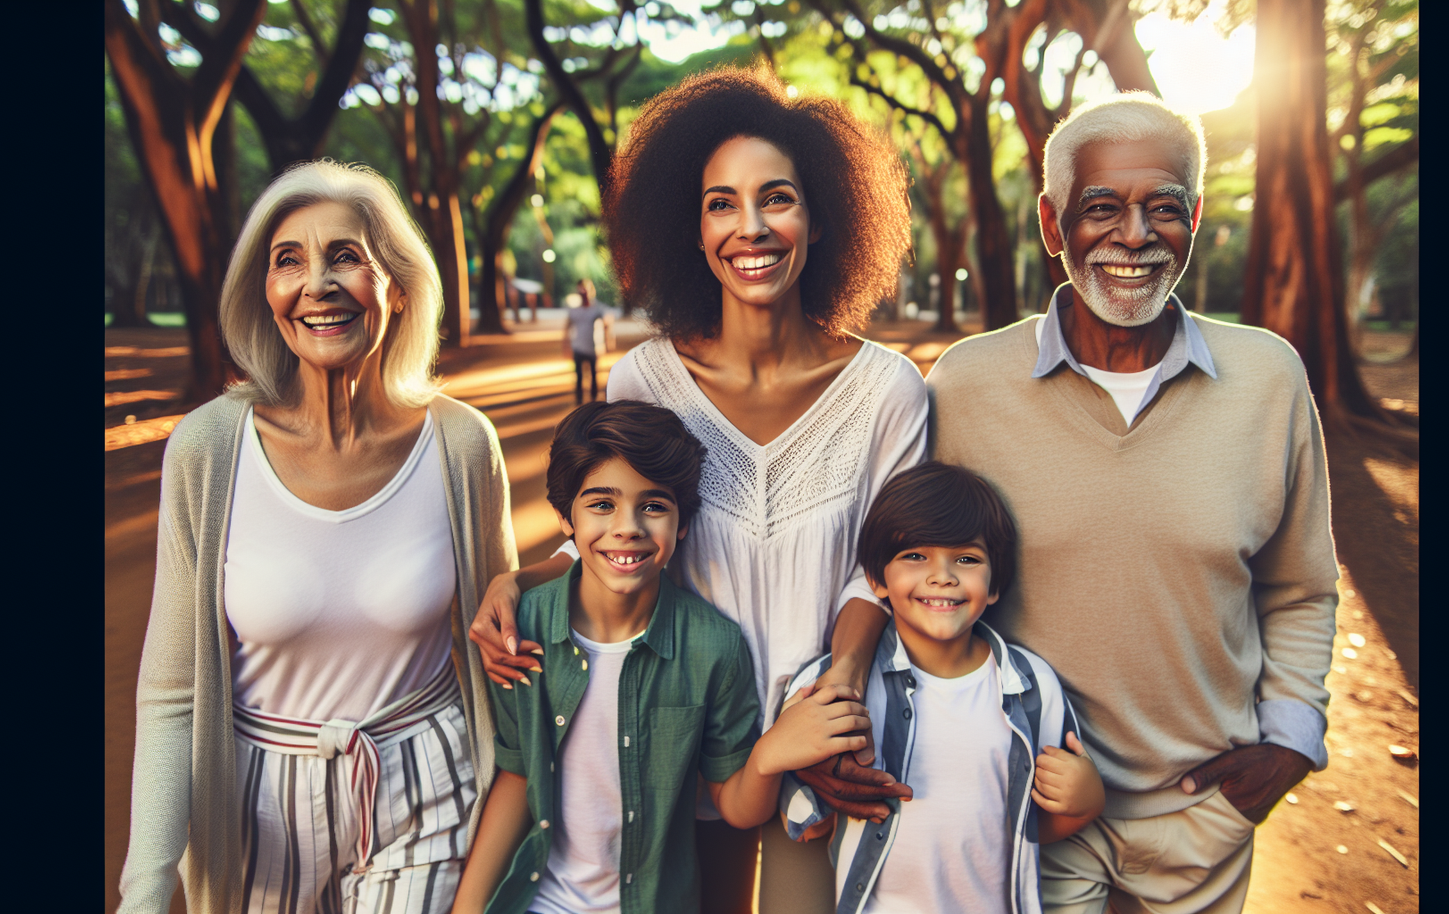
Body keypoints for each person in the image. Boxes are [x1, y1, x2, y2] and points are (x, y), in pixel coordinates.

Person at [467, 67, 924, 913]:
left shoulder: (887, 390)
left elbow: (885, 566)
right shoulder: (646, 376)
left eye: (776, 198)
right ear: (693, 224)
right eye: (721, 203)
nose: (749, 227)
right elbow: (621, 531)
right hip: (677, 732)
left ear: (821, 216)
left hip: (815, 750)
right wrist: (518, 581)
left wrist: (839, 692)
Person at [925, 94, 1340, 914]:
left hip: (1204, 816)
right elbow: (913, 580)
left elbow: (1300, 587)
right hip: (1025, 814)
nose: (1135, 234)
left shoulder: (1269, 378)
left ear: (1194, 217)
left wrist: (1291, 741)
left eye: (1164, 208)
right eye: (1102, 208)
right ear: (1052, 225)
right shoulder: (966, 386)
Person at [118, 160, 519, 914]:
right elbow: (173, 694)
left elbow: (501, 628)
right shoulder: (207, 449)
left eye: (345, 256)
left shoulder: (463, 445)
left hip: (427, 785)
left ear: (395, 288)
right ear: (265, 293)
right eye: (288, 261)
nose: (317, 283)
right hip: (256, 807)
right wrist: (144, 888)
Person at [450, 401, 874, 914]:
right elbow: (517, 776)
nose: (627, 527)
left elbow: (736, 807)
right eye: (601, 504)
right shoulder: (528, 627)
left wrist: (769, 755)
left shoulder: (713, 647)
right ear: (565, 516)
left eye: (653, 506)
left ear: (683, 523)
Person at [779, 461, 1105, 914]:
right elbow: (805, 822)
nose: (943, 576)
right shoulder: (834, 689)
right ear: (876, 581)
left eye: (967, 559)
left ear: (994, 586)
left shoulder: (1031, 687)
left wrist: (1085, 803)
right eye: (915, 556)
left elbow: (1027, 827)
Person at [564, 278, 609, 404]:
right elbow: (566, 328)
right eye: (581, 289)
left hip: (592, 348)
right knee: (579, 377)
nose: (583, 291)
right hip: (577, 347)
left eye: (586, 288)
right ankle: (579, 403)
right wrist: (566, 347)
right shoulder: (574, 311)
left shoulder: (596, 309)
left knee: (594, 376)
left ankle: (593, 402)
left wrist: (607, 343)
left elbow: (606, 325)